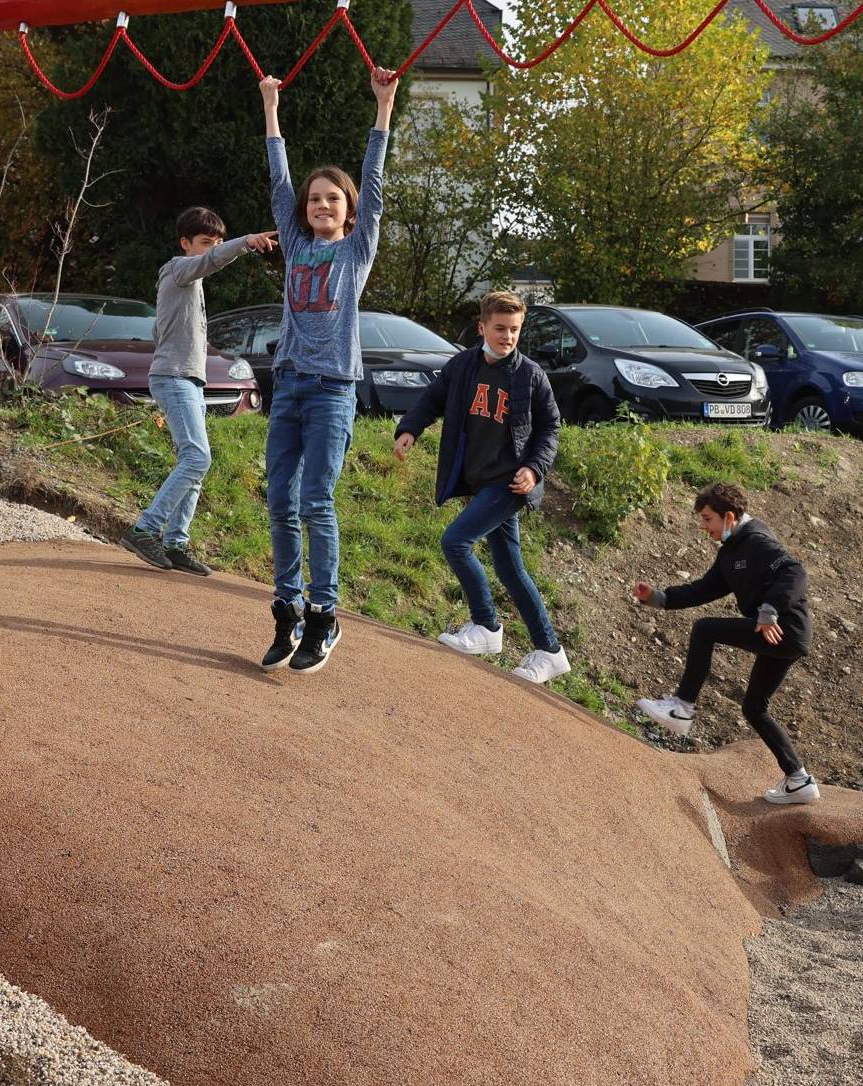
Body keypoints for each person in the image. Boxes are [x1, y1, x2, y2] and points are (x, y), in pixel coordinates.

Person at [256, 68, 397, 675]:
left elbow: (376, 181)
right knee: (279, 503)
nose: (320, 204)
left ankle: (325, 615)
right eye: (315, 198)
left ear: (348, 211)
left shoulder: (355, 249)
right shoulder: (294, 238)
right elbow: (278, 180)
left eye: (332, 199)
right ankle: (286, 613)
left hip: (332, 389)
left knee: (316, 500)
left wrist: (382, 107)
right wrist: (270, 107)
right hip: (288, 383)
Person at [392, 292, 569, 684]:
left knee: (455, 542)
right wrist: (409, 430)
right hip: (480, 479)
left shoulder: (529, 375)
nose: (508, 337)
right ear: (482, 328)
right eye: (501, 329)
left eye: (515, 330)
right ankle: (549, 650)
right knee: (510, 568)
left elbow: (550, 428)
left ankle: (486, 626)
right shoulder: (462, 366)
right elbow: (432, 399)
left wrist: (535, 470)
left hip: (509, 482)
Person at [630, 483, 819, 805]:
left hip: (783, 627)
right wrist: (659, 598)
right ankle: (799, 780)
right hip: (778, 633)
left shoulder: (756, 541)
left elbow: (795, 572)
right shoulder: (730, 553)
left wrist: (769, 610)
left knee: (705, 630)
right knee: (754, 707)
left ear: (728, 516)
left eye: (707, 519)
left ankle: (682, 707)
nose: (704, 527)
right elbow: (703, 590)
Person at [121, 207, 277, 576]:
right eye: (206, 244)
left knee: (193, 463)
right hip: (174, 378)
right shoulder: (178, 268)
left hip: (186, 378)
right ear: (185, 243)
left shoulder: (188, 284)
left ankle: (175, 542)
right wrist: (244, 243)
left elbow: (161, 331)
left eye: (218, 243)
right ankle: (144, 530)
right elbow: (209, 262)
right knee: (197, 458)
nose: (212, 249)